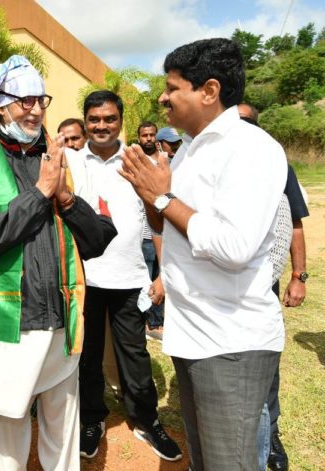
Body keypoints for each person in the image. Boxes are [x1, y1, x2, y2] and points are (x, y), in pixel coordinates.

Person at [120, 38, 287, 471]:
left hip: (231, 342)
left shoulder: (250, 149)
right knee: (207, 461)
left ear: (208, 91)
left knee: (228, 463)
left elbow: (233, 247)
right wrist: (148, 195)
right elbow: (168, 225)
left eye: (173, 87)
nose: (163, 97)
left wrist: (162, 198)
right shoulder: (193, 149)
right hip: (194, 334)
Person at [0, 55, 116, 471]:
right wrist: (40, 194)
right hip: (8, 322)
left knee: (63, 428)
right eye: (24, 100)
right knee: (6, 426)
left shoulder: (69, 160)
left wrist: (65, 199)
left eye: (41, 98)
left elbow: (97, 240)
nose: (36, 109)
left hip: (62, 317)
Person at [65, 91, 182, 462]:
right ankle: (91, 420)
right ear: (85, 121)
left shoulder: (137, 161)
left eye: (109, 119)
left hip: (130, 280)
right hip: (83, 280)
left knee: (135, 355)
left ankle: (146, 420)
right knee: (86, 357)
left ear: (121, 121)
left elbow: (157, 219)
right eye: (94, 119)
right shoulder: (69, 160)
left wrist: (162, 273)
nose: (101, 125)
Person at [239, 102, 308, 471]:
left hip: (263, 282)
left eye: (247, 121)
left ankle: (272, 432)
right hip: (223, 288)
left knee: (264, 362)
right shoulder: (215, 163)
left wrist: (298, 276)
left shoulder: (276, 165)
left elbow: (294, 224)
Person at [137, 121, 167, 340]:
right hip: (145, 235)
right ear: (139, 138)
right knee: (146, 279)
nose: (148, 138)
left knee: (162, 276)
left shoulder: (166, 161)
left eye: (151, 135)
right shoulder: (137, 162)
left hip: (167, 233)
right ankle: (147, 322)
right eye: (144, 135)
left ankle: (156, 322)